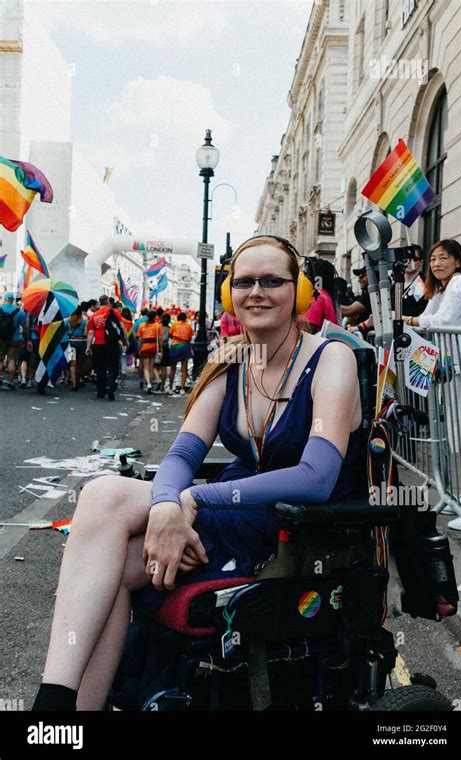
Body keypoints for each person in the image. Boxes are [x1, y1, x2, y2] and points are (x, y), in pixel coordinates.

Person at [31, 234, 364, 711]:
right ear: (230, 294)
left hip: (298, 529)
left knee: (108, 526)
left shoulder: (332, 356)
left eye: (273, 281)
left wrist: (192, 501)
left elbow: (316, 476)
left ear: (301, 292)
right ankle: (61, 707)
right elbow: (182, 457)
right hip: (232, 515)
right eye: (245, 282)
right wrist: (168, 503)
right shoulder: (230, 358)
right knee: (105, 533)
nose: (257, 292)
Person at [402, 239, 461, 530]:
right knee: (459, 438)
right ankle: (460, 498)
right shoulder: (443, 288)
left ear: (458, 260)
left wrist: (407, 319)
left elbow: (440, 320)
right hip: (451, 368)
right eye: (432, 259)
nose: (437, 264)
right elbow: (431, 316)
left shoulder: (459, 285)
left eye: (443, 258)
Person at [86, 294, 129, 401]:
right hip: (112, 344)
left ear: (99, 303)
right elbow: (122, 327)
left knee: (100, 368)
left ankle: (101, 391)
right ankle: (110, 385)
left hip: (99, 345)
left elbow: (91, 333)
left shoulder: (94, 316)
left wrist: (88, 347)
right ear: (108, 302)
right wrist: (125, 340)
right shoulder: (114, 312)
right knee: (113, 366)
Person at [301, 258, 338, 334]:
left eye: (306, 274)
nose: (303, 277)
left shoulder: (316, 297)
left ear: (316, 279)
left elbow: (307, 332)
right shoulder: (325, 295)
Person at [0, 291, 27, 388]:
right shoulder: (19, 312)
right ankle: (10, 382)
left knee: (0, 359)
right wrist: (25, 339)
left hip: (1, 338)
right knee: (11, 359)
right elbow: (24, 326)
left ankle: (0, 377)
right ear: (13, 300)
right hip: (15, 339)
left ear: (5, 299)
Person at [137, 310, 163, 394]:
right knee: (151, 367)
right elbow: (160, 339)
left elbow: (140, 339)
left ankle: (148, 384)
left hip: (145, 347)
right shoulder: (157, 326)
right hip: (154, 348)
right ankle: (151, 384)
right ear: (155, 317)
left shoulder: (142, 326)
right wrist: (161, 349)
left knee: (146, 367)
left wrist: (139, 348)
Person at [169, 312, 194, 396]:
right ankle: (182, 389)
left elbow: (171, 334)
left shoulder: (174, 325)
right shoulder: (189, 326)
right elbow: (190, 338)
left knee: (173, 368)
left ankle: (170, 388)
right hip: (184, 347)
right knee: (184, 369)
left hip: (175, 347)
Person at [64, 307, 88, 391]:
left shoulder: (67, 321)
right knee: (81, 363)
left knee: (72, 364)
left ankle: (74, 384)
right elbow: (85, 334)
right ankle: (80, 379)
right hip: (81, 344)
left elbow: (63, 332)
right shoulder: (84, 322)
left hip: (71, 344)